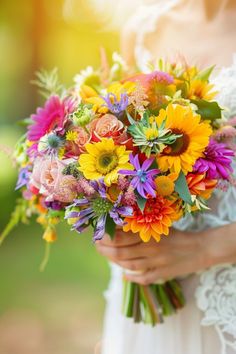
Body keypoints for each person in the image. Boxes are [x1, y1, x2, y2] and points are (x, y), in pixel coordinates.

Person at [96, 1, 236, 353]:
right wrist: (107, 220)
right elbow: (122, 148)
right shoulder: (143, 29)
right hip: (151, 291)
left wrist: (205, 248)